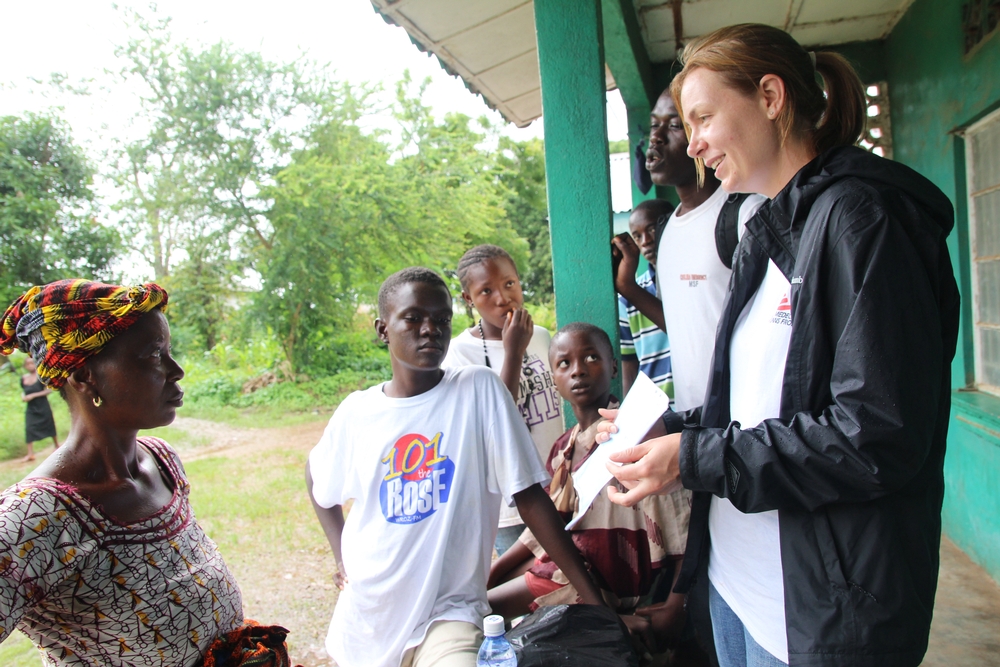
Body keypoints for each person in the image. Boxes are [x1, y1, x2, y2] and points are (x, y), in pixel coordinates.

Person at [600, 23, 961, 667]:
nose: (698, 144)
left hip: (821, 606)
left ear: (770, 97)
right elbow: (765, 401)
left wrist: (695, 457)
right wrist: (673, 427)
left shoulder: (864, 220)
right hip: (738, 581)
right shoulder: (766, 226)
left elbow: (874, 435)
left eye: (704, 117)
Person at [306, 267, 603, 667]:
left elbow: (529, 496)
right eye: (413, 318)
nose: (430, 329)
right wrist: (342, 555)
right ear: (382, 329)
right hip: (369, 619)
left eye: (441, 319)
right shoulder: (358, 412)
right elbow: (316, 476)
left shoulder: (478, 390)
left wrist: (593, 598)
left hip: (449, 614)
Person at [0, 279, 293, 667]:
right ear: (85, 374)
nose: (177, 370)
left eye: (169, 352)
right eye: (153, 355)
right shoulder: (36, 516)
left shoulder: (161, 462)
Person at [487, 322, 695, 658]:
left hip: (600, 582)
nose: (578, 371)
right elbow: (543, 530)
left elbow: (682, 525)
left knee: (480, 612)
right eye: (564, 364)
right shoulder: (563, 448)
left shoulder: (635, 436)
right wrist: (490, 574)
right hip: (567, 568)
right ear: (554, 379)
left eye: (591, 358)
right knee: (480, 601)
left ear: (613, 366)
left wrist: (677, 603)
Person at [613, 88, 765, 413]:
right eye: (654, 125)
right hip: (693, 425)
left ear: (704, 136)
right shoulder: (667, 230)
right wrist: (627, 287)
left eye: (673, 126)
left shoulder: (745, 216)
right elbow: (685, 325)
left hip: (748, 426)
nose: (654, 139)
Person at [442, 244, 563, 555]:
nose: (502, 298)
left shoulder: (543, 337)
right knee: (523, 594)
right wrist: (513, 353)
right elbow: (492, 426)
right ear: (468, 300)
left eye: (509, 283)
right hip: (510, 507)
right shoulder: (458, 355)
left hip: (560, 490)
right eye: (486, 291)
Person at [614, 199, 676, 397]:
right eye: (637, 236)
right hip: (657, 413)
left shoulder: (695, 282)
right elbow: (629, 366)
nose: (645, 241)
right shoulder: (626, 300)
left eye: (652, 230)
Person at [19, 355, 59, 462]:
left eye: (32, 363)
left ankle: (56, 445)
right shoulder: (23, 378)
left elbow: (48, 390)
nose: (30, 365)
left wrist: (33, 396)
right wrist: (23, 396)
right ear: (25, 366)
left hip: (43, 405)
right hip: (31, 408)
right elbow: (24, 391)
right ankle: (30, 453)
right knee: (29, 427)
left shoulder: (41, 376)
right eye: (28, 364)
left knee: (49, 424)